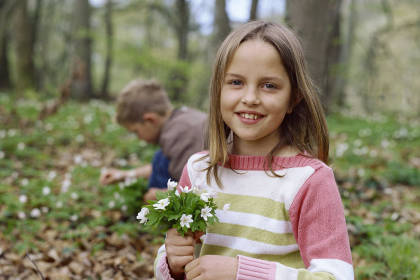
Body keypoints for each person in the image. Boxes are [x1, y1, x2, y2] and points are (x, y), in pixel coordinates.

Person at [154, 21, 354, 280]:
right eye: (236, 82)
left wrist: (242, 273)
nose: (250, 98)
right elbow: (170, 262)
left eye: (269, 85)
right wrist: (172, 262)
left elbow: (337, 276)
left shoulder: (309, 180)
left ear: (294, 98)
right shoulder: (198, 170)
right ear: (218, 90)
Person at [100, 79, 207, 201]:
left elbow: (195, 188)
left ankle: (163, 219)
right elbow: (170, 165)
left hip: (212, 191)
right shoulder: (183, 117)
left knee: (160, 160)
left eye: (136, 131)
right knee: (160, 159)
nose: (138, 138)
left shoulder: (176, 136)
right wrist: (124, 175)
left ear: (150, 120)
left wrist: (160, 195)